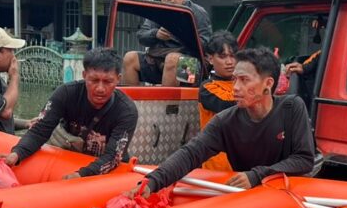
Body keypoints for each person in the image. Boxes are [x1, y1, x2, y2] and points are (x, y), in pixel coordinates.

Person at [133, 47, 315, 195]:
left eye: (244, 80)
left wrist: (256, 175)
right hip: (251, 197)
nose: (235, 88)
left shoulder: (291, 107)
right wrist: (152, 182)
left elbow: (304, 159)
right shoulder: (226, 121)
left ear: (268, 83)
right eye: (235, 79)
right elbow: (191, 153)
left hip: (289, 194)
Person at [0, 48, 137, 178]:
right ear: (84, 75)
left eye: (108, 82)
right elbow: (40, 130)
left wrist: (81, 175)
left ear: (118, 79)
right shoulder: (66, 93)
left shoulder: (126, 110)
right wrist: (16, 154)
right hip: (68, 158)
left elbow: (112, 156)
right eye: (94, 80)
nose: (100, 88)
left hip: (106, 170)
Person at [122, 0, 212, 86]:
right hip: (158, 61)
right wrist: (156, 34)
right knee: (129, 58)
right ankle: (131, 102)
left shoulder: (197, 12)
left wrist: (181, 35)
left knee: (172, 58)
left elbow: (206, 44)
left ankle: (168, 103)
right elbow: (141, 36)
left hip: (192, 69)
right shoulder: (157, 11)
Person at [198, 31, 239, 171]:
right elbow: (230, 106)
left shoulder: (242, 83)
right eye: (223, 57)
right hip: (217, 163)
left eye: (233, 56)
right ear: (210, 59)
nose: (230, 62)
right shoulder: (207, 88)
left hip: (243, 160)